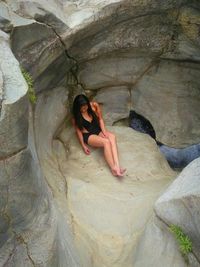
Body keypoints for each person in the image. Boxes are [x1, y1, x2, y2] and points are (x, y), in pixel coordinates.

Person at [72, 94, 126, 177]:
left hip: (97, 130)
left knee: (112, 137)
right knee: (106, 142)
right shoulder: (75, 117)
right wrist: (83, 145)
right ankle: (113, 169)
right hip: (88, 135)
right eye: (81, 107)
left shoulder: (94, 106)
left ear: (87, 103)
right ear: (77, 107)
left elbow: (100, 119)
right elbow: (78, 131)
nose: (83, 109)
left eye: (85, 106)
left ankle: (117, 165)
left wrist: (104, 132)